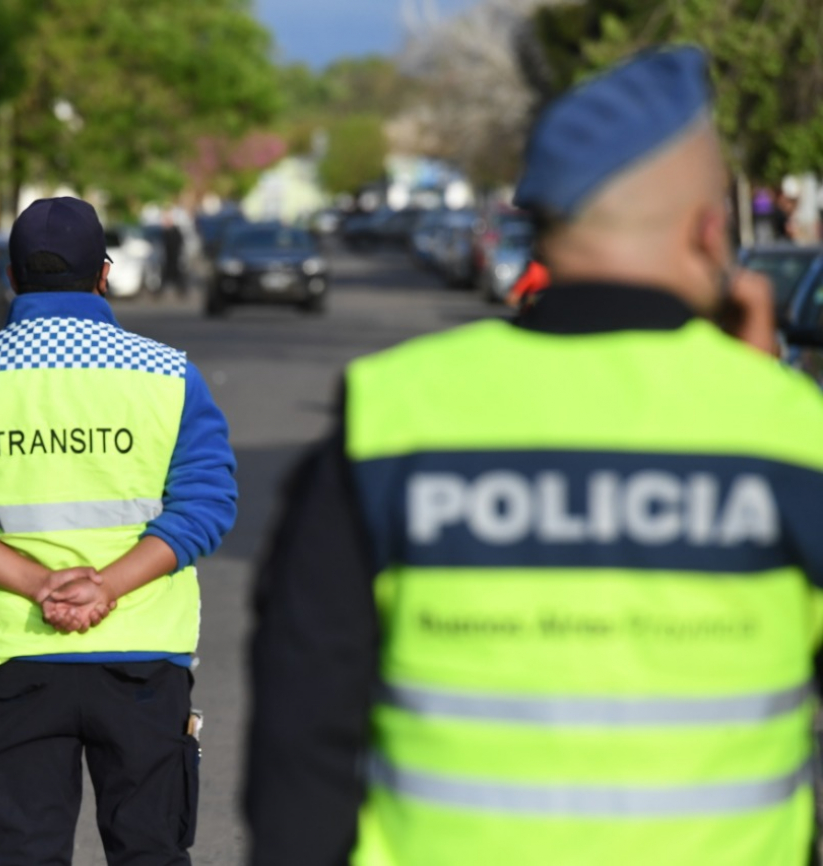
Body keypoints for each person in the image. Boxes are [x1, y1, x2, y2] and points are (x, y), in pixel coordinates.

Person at [245, 46, 815, 866]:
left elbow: (301, 747)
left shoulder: (393, 416)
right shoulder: (789, 437)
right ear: (708, 230)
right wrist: (755, 402)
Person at [0, 196, 237, 866]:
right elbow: (207, 504)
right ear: (103, 275)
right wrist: (106, 585)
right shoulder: (170, 377)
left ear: (11, 280)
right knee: (150, 853)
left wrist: (40, 582)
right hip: (142, 657)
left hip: (13, 657)